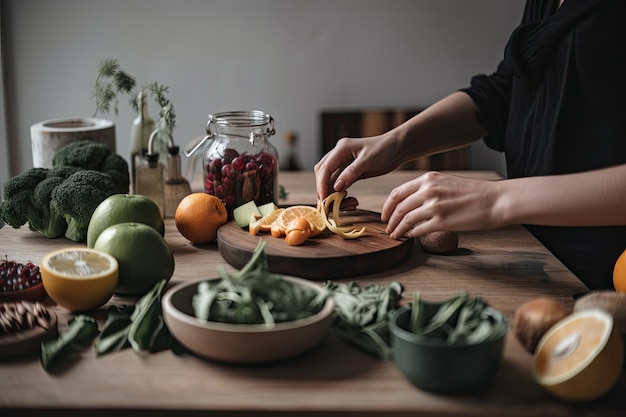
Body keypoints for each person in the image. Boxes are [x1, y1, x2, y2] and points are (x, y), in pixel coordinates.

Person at [314, 0, 626, 291]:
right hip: (533, 261)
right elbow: (506, 93)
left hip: (602, 280)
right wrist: (396, 141)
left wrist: (496, 200)